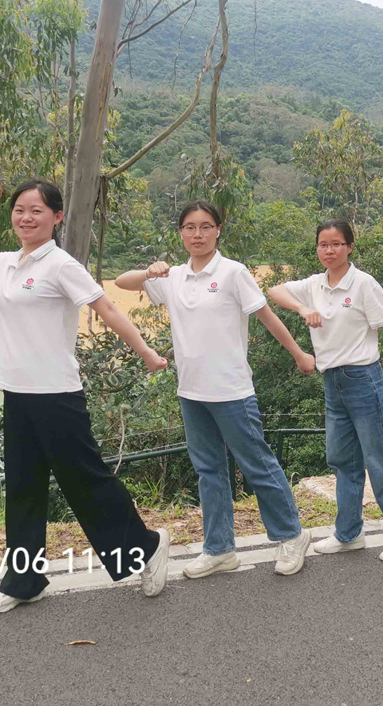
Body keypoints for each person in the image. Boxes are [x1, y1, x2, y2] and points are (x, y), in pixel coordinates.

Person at [0, 179, 172, 615]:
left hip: (57, 393)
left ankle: (147, 548)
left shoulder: (61, 264)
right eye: (20, 210)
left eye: (36, 211)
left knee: (85, 482)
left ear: (57, 217)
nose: (26, 217)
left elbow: (108, 309)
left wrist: (148, 353)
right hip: (17, 392)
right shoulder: (7, 263)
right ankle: (24, 580)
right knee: (23, 487)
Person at [115, 201, 313, 579]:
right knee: (209, 471)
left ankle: (291, 534)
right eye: (190, 228)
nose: (198, 235)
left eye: (206, 227)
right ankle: (219, 548)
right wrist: (148, 271)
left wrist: (299, 353)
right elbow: (122, 283)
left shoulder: (233, 273)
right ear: (181, 233)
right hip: (191, 390)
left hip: (232, 389)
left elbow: (266, 317)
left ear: (218, 230)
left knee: (257, 465)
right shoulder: (173, 276)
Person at [267, 219, 383, 563]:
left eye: (337, 244)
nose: (329, 250)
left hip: (363, 380)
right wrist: (302, 307)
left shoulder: (364, 284)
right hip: (332, 382)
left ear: (350, 246)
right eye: (323, 244)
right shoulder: (314, 285)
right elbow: (273, 291)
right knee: (343, 461)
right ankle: (349, 532)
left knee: (381, 459)